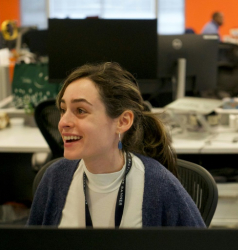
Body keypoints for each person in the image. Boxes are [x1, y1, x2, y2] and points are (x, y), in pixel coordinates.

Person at [27, 62, 206, 228]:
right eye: (63, 110)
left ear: (122, 121)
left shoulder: (160, 185)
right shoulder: (55, 178)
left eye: (80, 111)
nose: (63, 122)